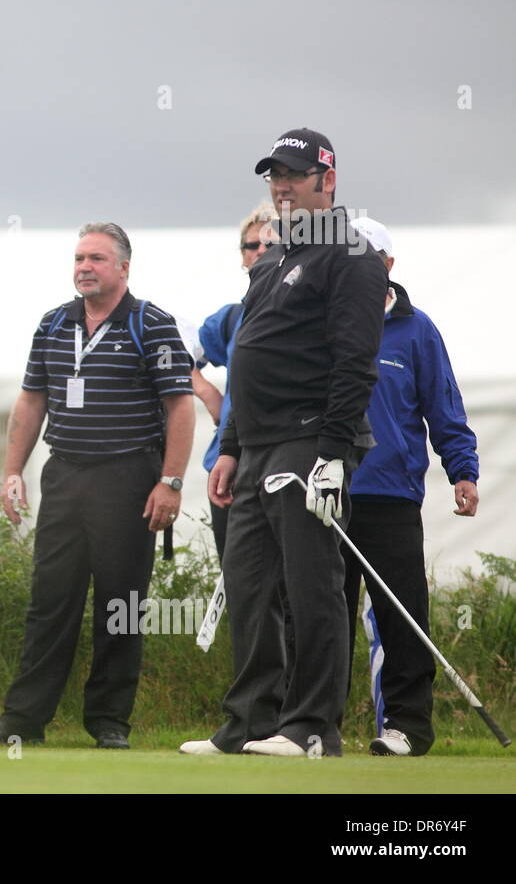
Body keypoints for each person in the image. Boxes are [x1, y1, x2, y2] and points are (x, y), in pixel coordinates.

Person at [182, 128, 387, 758]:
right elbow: (250, 358)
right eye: (274, 176)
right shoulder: (272, 256)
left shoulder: (350, 255)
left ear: (327, 181)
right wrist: (231, 446)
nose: (281, 186)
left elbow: (356, 361)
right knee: (249, 587)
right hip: (258, 445)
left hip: (309, 441)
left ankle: (312, 728)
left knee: (313, 586)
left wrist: (331, 454)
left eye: (293, 175)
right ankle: (247, 723)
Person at [0, 223, 194, 749]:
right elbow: (30, 401)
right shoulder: (53, 323)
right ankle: (23, 720)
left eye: (95, 258)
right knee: (50, 600)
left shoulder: (151, 323)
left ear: (123, 267)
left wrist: (171, 482)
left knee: (122, 601)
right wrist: (13, 471)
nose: (84, 267)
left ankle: (109, 721)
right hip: (65, 475)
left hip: (128, 477)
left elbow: (179, 406)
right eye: (78, 258)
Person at [341, 216, 479, 757]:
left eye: (365, 255)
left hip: (391, 495)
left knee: (401, 615)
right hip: (326, 492)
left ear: (388, 265)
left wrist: (462, 470)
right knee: (320, 615)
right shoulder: (322, 322)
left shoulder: (417, 329)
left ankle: (407, 726)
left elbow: (443, 408)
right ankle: (312, 724)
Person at [193, 202, 278, 559]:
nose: (259, 251)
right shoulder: (230, 319)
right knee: (239, 586)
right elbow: (171, 355)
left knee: (291, 591)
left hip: (284, 462)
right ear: (242, 256)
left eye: (269, 244)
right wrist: (208, 393)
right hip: (229, 467)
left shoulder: (310, 310)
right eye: (251, 245)